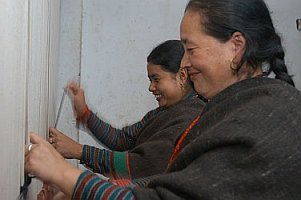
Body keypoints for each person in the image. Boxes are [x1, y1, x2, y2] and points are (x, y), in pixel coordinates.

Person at [25, 0, 301, 199]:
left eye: (191, 49)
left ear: (236, 46)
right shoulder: (232, 108)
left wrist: (66, 175)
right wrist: (81, 188)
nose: (185, 63)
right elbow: (163, 178)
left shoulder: (259, 118)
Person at [48, 39, 204, 180]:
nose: (151, 88)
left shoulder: (191, 119)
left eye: (156, 79)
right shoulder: (163, 112)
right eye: (150, 80)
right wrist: (85, 114)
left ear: (182, 76)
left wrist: (79, 151)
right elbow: (122, 140)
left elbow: (140, 165)